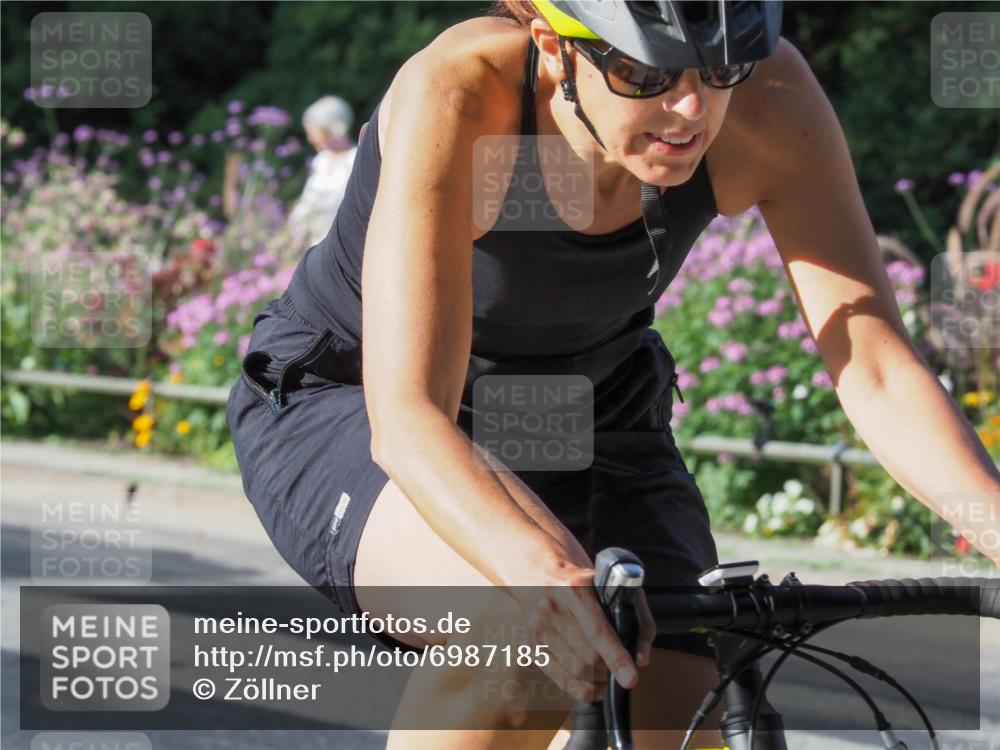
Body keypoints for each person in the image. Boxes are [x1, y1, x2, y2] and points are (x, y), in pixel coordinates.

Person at [226, 2, 1000, 748]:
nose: (691, 109)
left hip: (593, 409)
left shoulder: (773, 99)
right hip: (352, 398)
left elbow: (874, 364)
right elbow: (410, 416)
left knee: (672, 686)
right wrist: (542, 569)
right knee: (521, 646)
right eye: (643, 73)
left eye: (720, 66)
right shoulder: (460, 92)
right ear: (554, 44)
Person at [287, 95, 358, 247]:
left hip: (344, 242)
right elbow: (308, 200)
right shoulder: (321, 161)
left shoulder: (356, 159)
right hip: (314, 244)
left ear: (329, 130)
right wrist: (297, 232)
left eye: (313, 132)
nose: (310, 139)